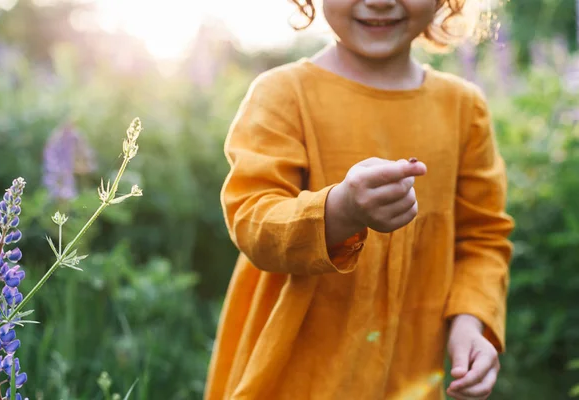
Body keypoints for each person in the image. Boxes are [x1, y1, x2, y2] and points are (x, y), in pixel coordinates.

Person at [204, 0, 515, 399]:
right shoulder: (283, 94)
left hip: (406, 376)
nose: (381, 1)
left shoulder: (463, 108)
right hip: (292, 376)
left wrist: (471, 321)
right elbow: (252, 221)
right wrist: (341, 210)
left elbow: (483, 237)